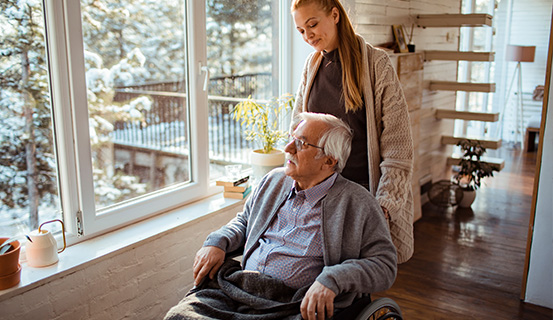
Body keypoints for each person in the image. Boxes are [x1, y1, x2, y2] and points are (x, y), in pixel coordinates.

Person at [164, 113, 397, 320]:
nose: (288, 148)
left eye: (301, 143)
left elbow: (384, 266)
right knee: (179, 316)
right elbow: (245, 221)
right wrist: (218, 241)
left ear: (329, 160)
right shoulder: (273, 181)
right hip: (240, 287)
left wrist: (334, 279)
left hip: (293, 303)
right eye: (290, 138)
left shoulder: (357, 203)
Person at [291, 0, 415, 263]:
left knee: (355, 277)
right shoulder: (311, 66)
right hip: (320, 195)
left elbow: (398, 147)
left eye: (312, 24)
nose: (308, 35)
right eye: (301, 30)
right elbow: (297, 128)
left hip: (363, 195)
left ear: (334, 14)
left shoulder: (375, 64)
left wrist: (382, 208)